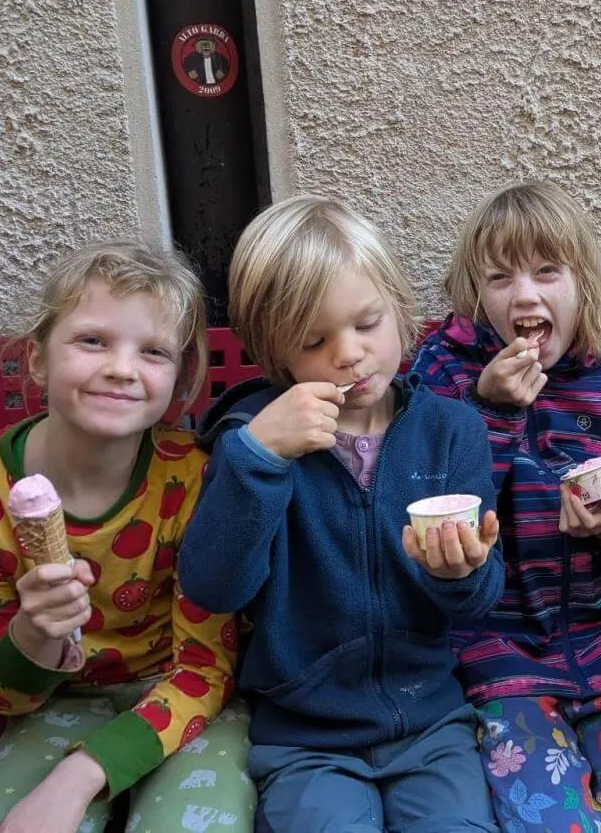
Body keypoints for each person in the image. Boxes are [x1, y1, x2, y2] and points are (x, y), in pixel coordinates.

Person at [177, 194, 503, 832]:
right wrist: (257, 458)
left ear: (400, 311)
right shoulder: (253, 441)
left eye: (367, 322)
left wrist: (460, 574)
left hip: (431, 725)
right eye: (314, 339)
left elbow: (477, 601)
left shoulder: (451, 432)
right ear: (277, 352)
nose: (349, 353)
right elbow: (213, 587)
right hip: (306, 738)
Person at [410, 181, 601, 832]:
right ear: (475, 295)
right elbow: (433, 508)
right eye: (500, 277)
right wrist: (489, 414)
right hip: (500, 659)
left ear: (585, 284)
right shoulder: (441, 378)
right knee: (552, 822)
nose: (525, 294)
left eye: (548, 271)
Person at [0, 242, 253, 833]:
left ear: (179, 379)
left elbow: (207, 668)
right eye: (92, 341)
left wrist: (78, 778)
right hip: (53, 705)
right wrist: (35, 631)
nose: (122, 368)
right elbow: (4, 697)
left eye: (153, 351)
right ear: (36, 359)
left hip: (184, 695)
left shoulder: (197, 478)